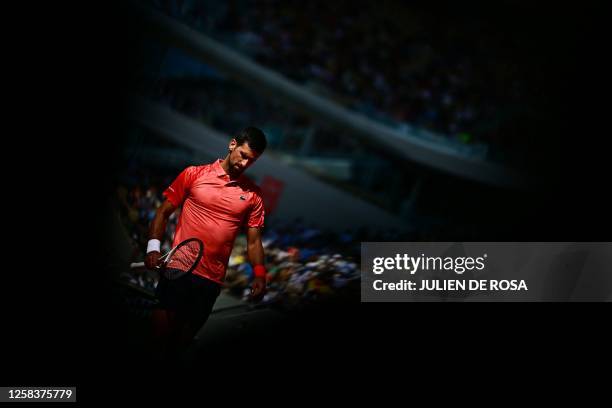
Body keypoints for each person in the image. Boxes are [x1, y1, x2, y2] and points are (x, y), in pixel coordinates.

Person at [144, 126, 268, 363]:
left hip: (210, 281)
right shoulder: (193, 174)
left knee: (179, 348)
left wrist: (260, 275)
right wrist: (153, 249)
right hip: (178, 271)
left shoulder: (254, 195)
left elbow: (254, 242)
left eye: (251, 161)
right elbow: (162, 213)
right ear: (232, 145)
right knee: (157, 340)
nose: (244, 164)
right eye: (243, 155)